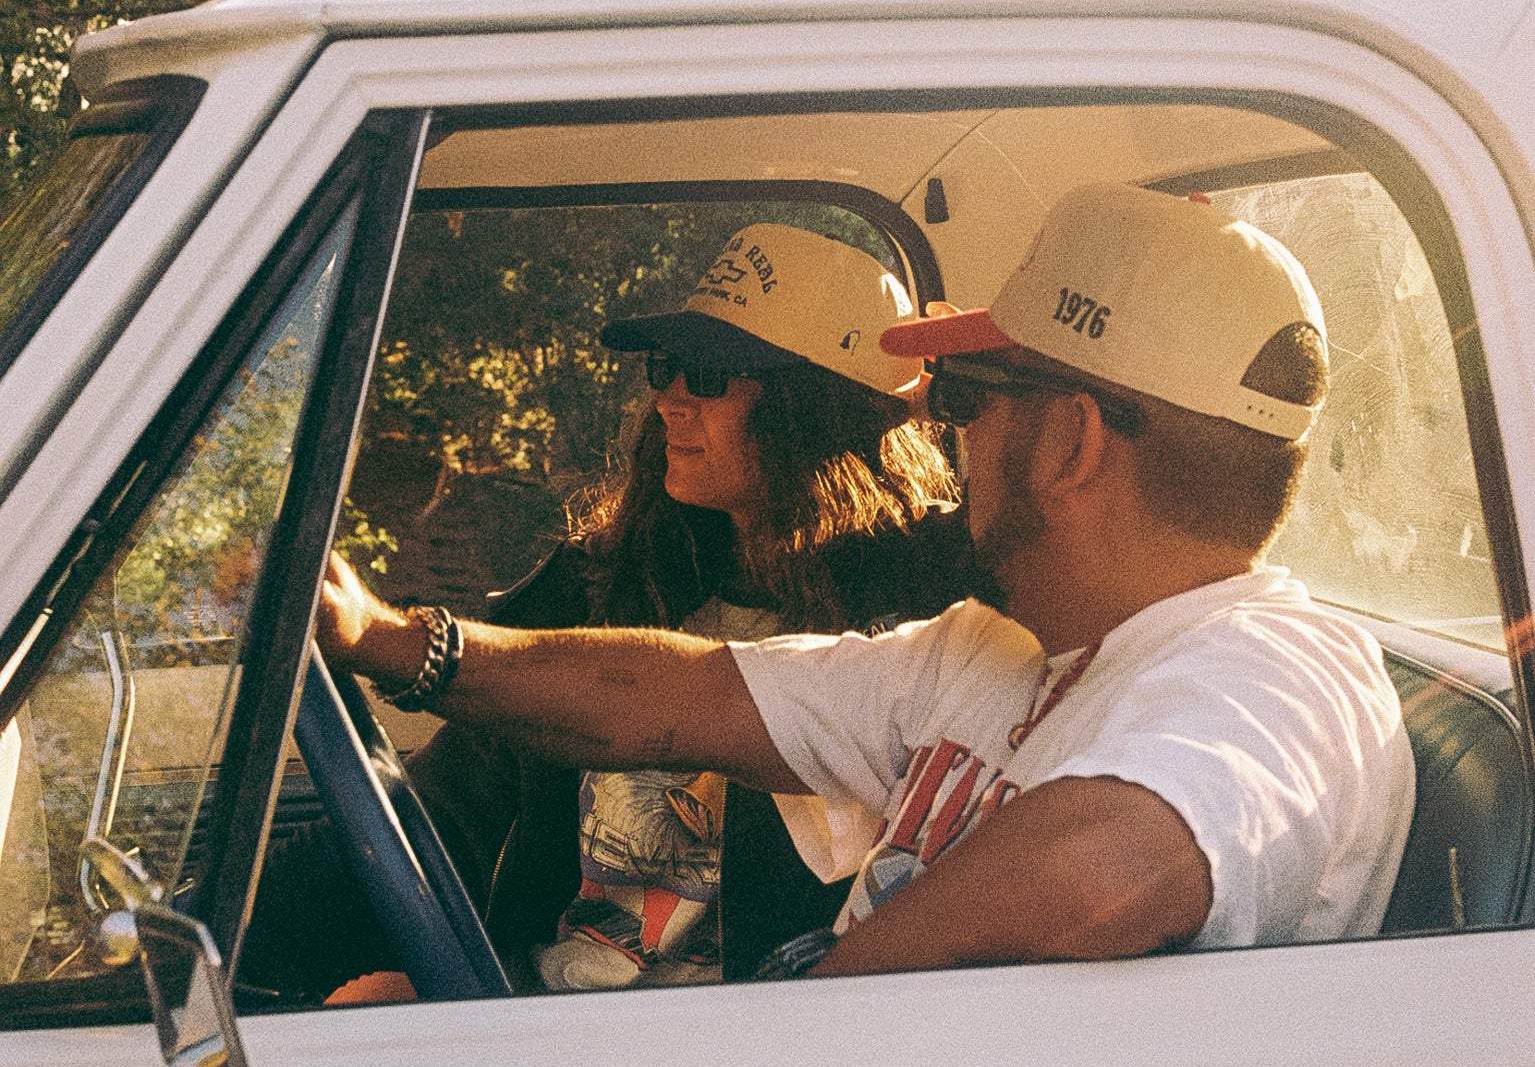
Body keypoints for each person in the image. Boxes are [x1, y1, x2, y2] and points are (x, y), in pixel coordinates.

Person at [320, 184, 1415, 979]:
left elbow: (1110, 867)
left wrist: (791, 1037)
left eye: (970, 393)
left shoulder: (1277, 668)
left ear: (1071, 442)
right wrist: (386, 639)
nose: (944, 431)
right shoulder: (992, 648)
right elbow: (671, 697)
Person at [378, 220, 980, 990]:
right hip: (539, 1030)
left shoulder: (927, 615)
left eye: (707, 374)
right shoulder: (596, 585)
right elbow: (443, 812)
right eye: (666, 366)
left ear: (816, 409)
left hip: (767, 1048)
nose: (666, 400)